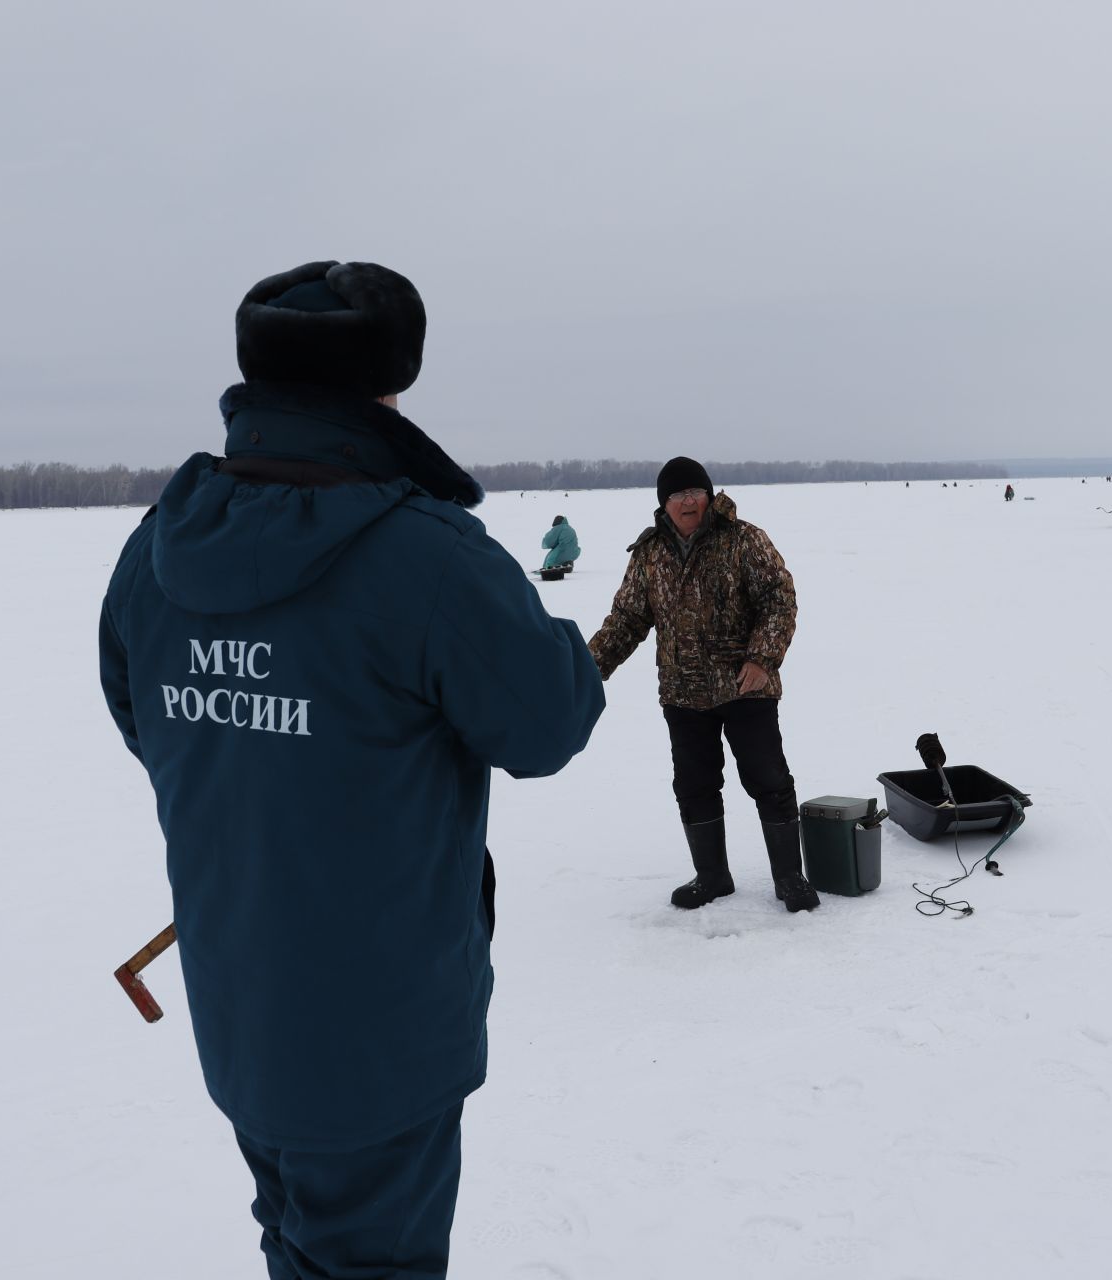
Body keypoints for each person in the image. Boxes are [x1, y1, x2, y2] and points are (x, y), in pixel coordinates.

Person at [97, 260, 605, 1279]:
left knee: (298, 1236)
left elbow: (146, 720)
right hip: (380, 1037)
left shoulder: (156, 550)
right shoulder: (426, 556)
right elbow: (549, 721)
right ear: (388, 383)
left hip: (242, 1010)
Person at [587, 457, 818, 913]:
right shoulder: (650, 553)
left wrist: (761, 659)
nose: (688, 501)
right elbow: (628, 620)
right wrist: (588, 668)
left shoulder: (743, 539)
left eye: (695, 492)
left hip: (745, 687)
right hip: (683, 692)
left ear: (709, 496)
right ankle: (712, 877)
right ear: (664, 504)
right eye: (677, 495)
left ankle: (790, 877)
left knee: (769, 781)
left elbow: (779, 598)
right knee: (693, 786)